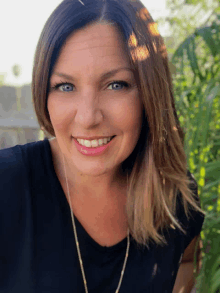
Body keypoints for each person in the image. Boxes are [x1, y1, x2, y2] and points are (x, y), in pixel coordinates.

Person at [0, 0, 205, 292]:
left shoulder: (176, 198)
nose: (87, 118)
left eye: (116, 85)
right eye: (65, 86)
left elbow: (186, 262)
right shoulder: (6, 184)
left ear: (150, 92)